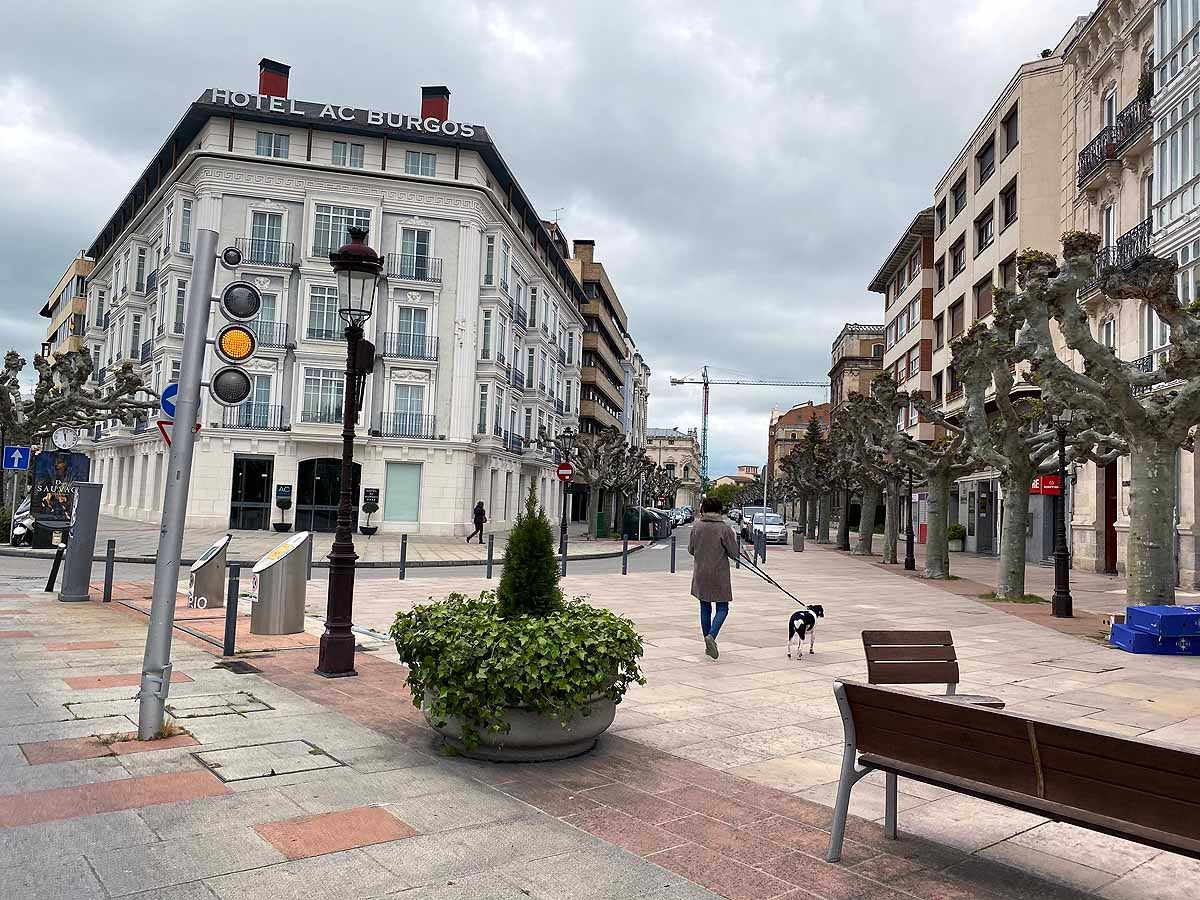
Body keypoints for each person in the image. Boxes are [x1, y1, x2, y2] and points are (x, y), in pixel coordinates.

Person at [688, 496, 739, 659]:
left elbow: (691, 549)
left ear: (703, 509)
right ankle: (712, 636)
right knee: (722, 608)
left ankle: (707, 643)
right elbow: (733, 553)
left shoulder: (696, 527)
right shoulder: (725, 529)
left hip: (701, 573)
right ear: (720, 510)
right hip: (719, 574)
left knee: (705, 607)